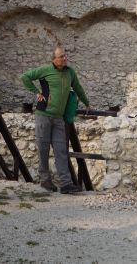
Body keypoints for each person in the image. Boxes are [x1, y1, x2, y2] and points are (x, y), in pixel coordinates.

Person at [20, 46, 89, 194]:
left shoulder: (70, 72)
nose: (64, 58)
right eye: (61, 56)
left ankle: (66, 184)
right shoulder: (45, 70)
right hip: (43, 114)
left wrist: (87, 102)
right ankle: (45, 181)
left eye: (65, 56)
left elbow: (77, 87)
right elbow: (24, 77)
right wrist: (36, 92)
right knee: (43, 149)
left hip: (59, 118)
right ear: (54, 59)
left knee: (61, 150)